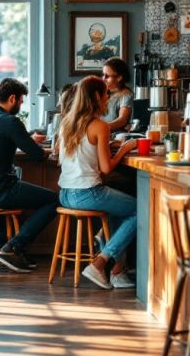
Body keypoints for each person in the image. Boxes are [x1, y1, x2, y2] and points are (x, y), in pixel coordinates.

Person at [0, 78, 58, 273]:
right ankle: (14, 247)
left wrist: (26, 138)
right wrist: (53, 148)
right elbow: (37, 155)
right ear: (13, 98)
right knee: (54, 200)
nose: (21, 105)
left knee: (1, 178)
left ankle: (0, 241)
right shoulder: (9, 121)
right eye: (22, 101)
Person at [56, 77, 139, 290]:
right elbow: (106, 168)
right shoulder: (100, 126)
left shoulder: (67, 122)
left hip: (65, 193)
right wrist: (124, 148)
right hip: (87, 193)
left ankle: (117, 270)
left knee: (116, 210)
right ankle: (101, 262)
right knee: (139, 210)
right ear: (96, 97)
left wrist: (104, 145)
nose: (107, 99)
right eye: (105, 95)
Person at [101, 58, 133, 132]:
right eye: (103, 75)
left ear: (119, 77)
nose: (103, 79)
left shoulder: (126, 94)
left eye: (107, 76)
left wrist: (101, 129)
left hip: (116, 135)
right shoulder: (103, 92)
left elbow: (122, 120)